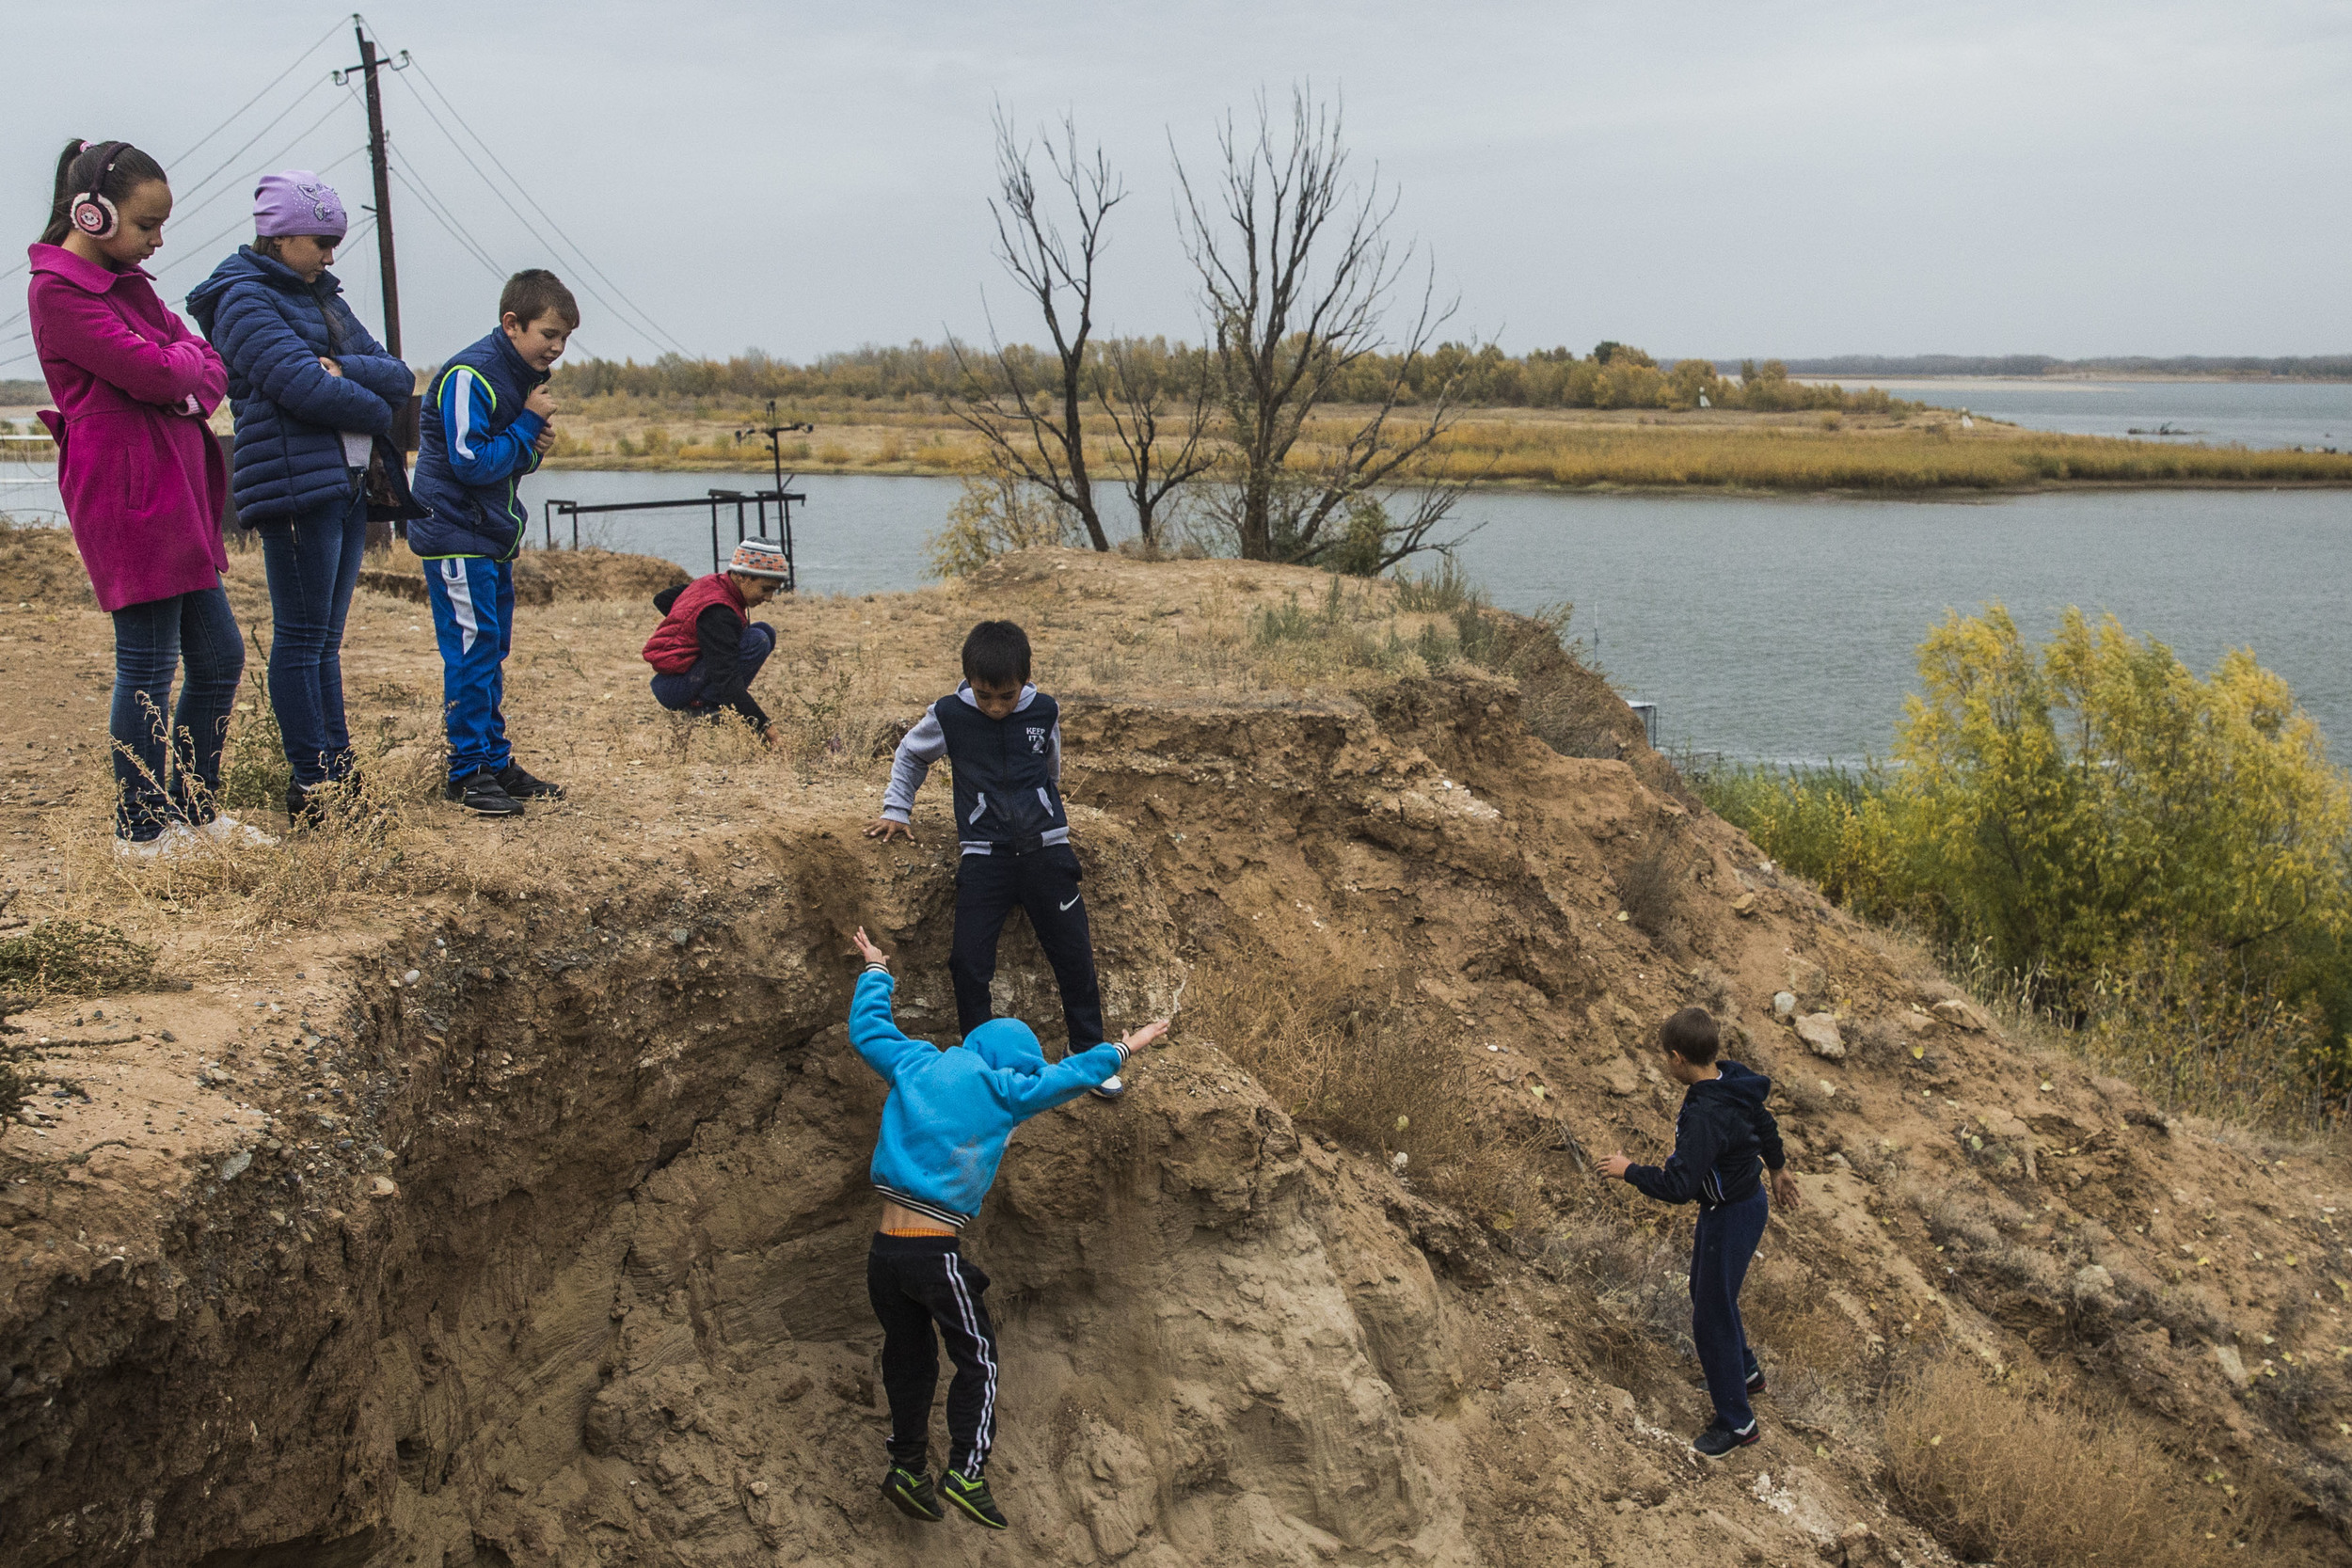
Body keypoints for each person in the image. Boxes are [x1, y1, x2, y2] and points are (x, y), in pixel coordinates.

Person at [846, 924, 1166, 1528]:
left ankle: (907, 1466)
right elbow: (1069, 1077)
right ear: (1012, 1066)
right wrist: (1125, 1049)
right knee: (980, 1359)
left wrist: (876, 971)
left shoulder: (916, 1060)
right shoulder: (1004, 1088)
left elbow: (868, 1031)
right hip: (933, 1251)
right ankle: (967, 1470)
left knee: (908, 1358)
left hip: (884, 1253)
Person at [27, 138, 271, 857]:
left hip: (173, 492)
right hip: (126, 495)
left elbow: (204, 362)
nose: (159, 241)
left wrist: (182, 372)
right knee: (147, 664)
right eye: (147, 225)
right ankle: (139, 831)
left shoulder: (127, 284)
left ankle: (193, 813)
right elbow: (164, 374)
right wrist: (180, 375)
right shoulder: (59, 293)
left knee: (221, 657)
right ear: (93, 216)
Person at [187, 172, 413, 826]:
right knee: (302, 637)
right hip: (292, 487)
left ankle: (339, 774)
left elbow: (398, 376)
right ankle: (314, 783)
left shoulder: (327, 298)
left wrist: (349, 375)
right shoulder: (242, 300)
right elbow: (300, 387)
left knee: (325, 642)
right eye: (322, 241)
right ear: (280, 234)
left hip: (343, 481)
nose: (331, 256)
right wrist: (367, 398)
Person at [863, 620, 1125, 1098]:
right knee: (967, 961)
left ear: (1025, 679)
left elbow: (1051, 767)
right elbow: (910, 755)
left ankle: (1088, 1053)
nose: (996, 706)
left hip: (1047, 851)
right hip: (984, 857)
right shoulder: (949, 715)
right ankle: (977, 1064)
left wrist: (1044, 810)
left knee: (1073, 955)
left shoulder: (1045, 710)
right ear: (967, 680)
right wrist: (896, 809)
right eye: (985, 695)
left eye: (1006, 695)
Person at [406, 269, 577, 816]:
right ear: (512, 324)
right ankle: (467, 771)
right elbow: (471, 462)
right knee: (471, 652)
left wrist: (533, 444)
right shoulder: (469, 374)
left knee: (491, 650)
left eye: (565, 337)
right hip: (456, 535)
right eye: (549, 333)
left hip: (488, 535)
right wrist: (528, 428)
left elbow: (509, 465)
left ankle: (493, 760)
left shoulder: (518, 376)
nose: (557, 347)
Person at [1599, 1006, 1800, 1459]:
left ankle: (1737, 1422)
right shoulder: (1733, 1079)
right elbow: (1764, 1122)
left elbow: (1678, 1186)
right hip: (1739, 1205)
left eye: (1664, 1058)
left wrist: (1628, 1170)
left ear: (1677, 1058)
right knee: (1709, 1294)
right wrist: (1780, 1168)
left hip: (1731, 1214)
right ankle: (1746, 1372)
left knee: (1709, 1312)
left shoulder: (1706, 1113)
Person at [642, 537, 787, 738]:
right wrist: (768, 731)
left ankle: (707, 701)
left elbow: (662, 599)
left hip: (673, 680)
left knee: (765, 631)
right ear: (743, 577)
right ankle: (703, 707)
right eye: (766, 589)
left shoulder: (712, 584)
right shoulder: (718, 613)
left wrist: (695, 630)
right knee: (757, 639)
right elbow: (727, 680)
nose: (769, 598)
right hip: (674, 688)